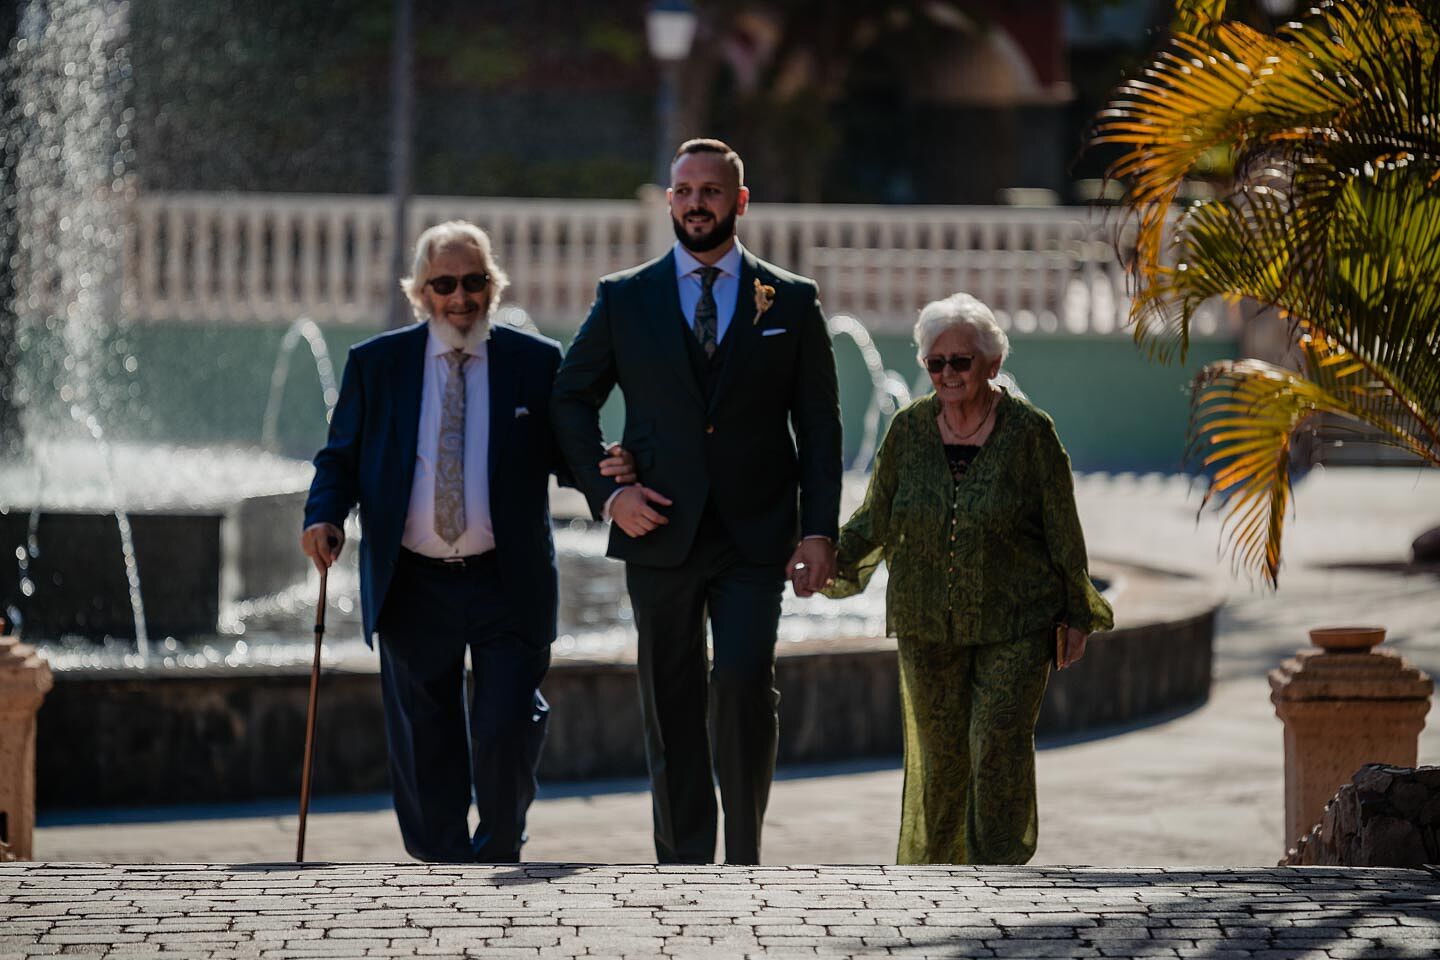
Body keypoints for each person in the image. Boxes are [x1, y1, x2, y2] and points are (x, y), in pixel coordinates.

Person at [300, 220, 634, 863]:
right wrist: (325, 517)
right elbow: (339, 459)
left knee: (506, 721)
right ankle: (440, 867)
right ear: (421, 293)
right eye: (445, 284)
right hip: (413, 580)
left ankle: (501, 841)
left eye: (475, 281)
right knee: (426, 740)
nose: (461, 297)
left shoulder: (534, 361)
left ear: (493, 285)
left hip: (506, 579)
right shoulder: (378, 364)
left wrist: (612, 473)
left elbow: (569, 455)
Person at [550, 139, 843, 865]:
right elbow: (569, 396)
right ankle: (682, 866)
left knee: (744, 682)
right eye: (684, 191)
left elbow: (820, 425)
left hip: (755, 535)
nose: (696, 203)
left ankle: (742, 857)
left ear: (739, 202)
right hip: (659, 530)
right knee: (671, 702)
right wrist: (607, 491)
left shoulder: (792, 300)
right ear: (670, 200)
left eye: (712, 191)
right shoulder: (625, 297)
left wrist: (819, 533)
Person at [822, 292, 1113, 865]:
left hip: (1016, 621)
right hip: (926, 621)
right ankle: (939, 883)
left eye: (961, 361)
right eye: (936, 362)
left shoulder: (1031, 433)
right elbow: (875, 517)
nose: (948, 373)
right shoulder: (907, 431)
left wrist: (1077, 613)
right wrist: (824, 558)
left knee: (997, 746)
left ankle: (996, 874)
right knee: (942, 759)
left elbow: (1063, 529)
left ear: (991, 364)